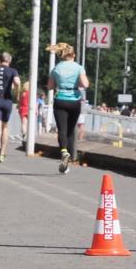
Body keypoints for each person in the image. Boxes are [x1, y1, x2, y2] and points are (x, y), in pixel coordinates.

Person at [47, 42, 89, 174]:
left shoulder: (56, 68)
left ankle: (64, 152)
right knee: (71, 130)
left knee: (62, 130)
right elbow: (85, 84)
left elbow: (50, 87)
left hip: (60, 99)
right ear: (74, 55)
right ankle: (69, 157)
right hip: (75, 100)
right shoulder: (78, 67)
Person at [17, 80, 31, 148]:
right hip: (29, 109)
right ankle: (28, 135)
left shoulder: (23, 93)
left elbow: (19, 102)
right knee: (29, 124)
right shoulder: (31, 93)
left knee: (23, 123)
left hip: (22, 109)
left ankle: (24, 134)